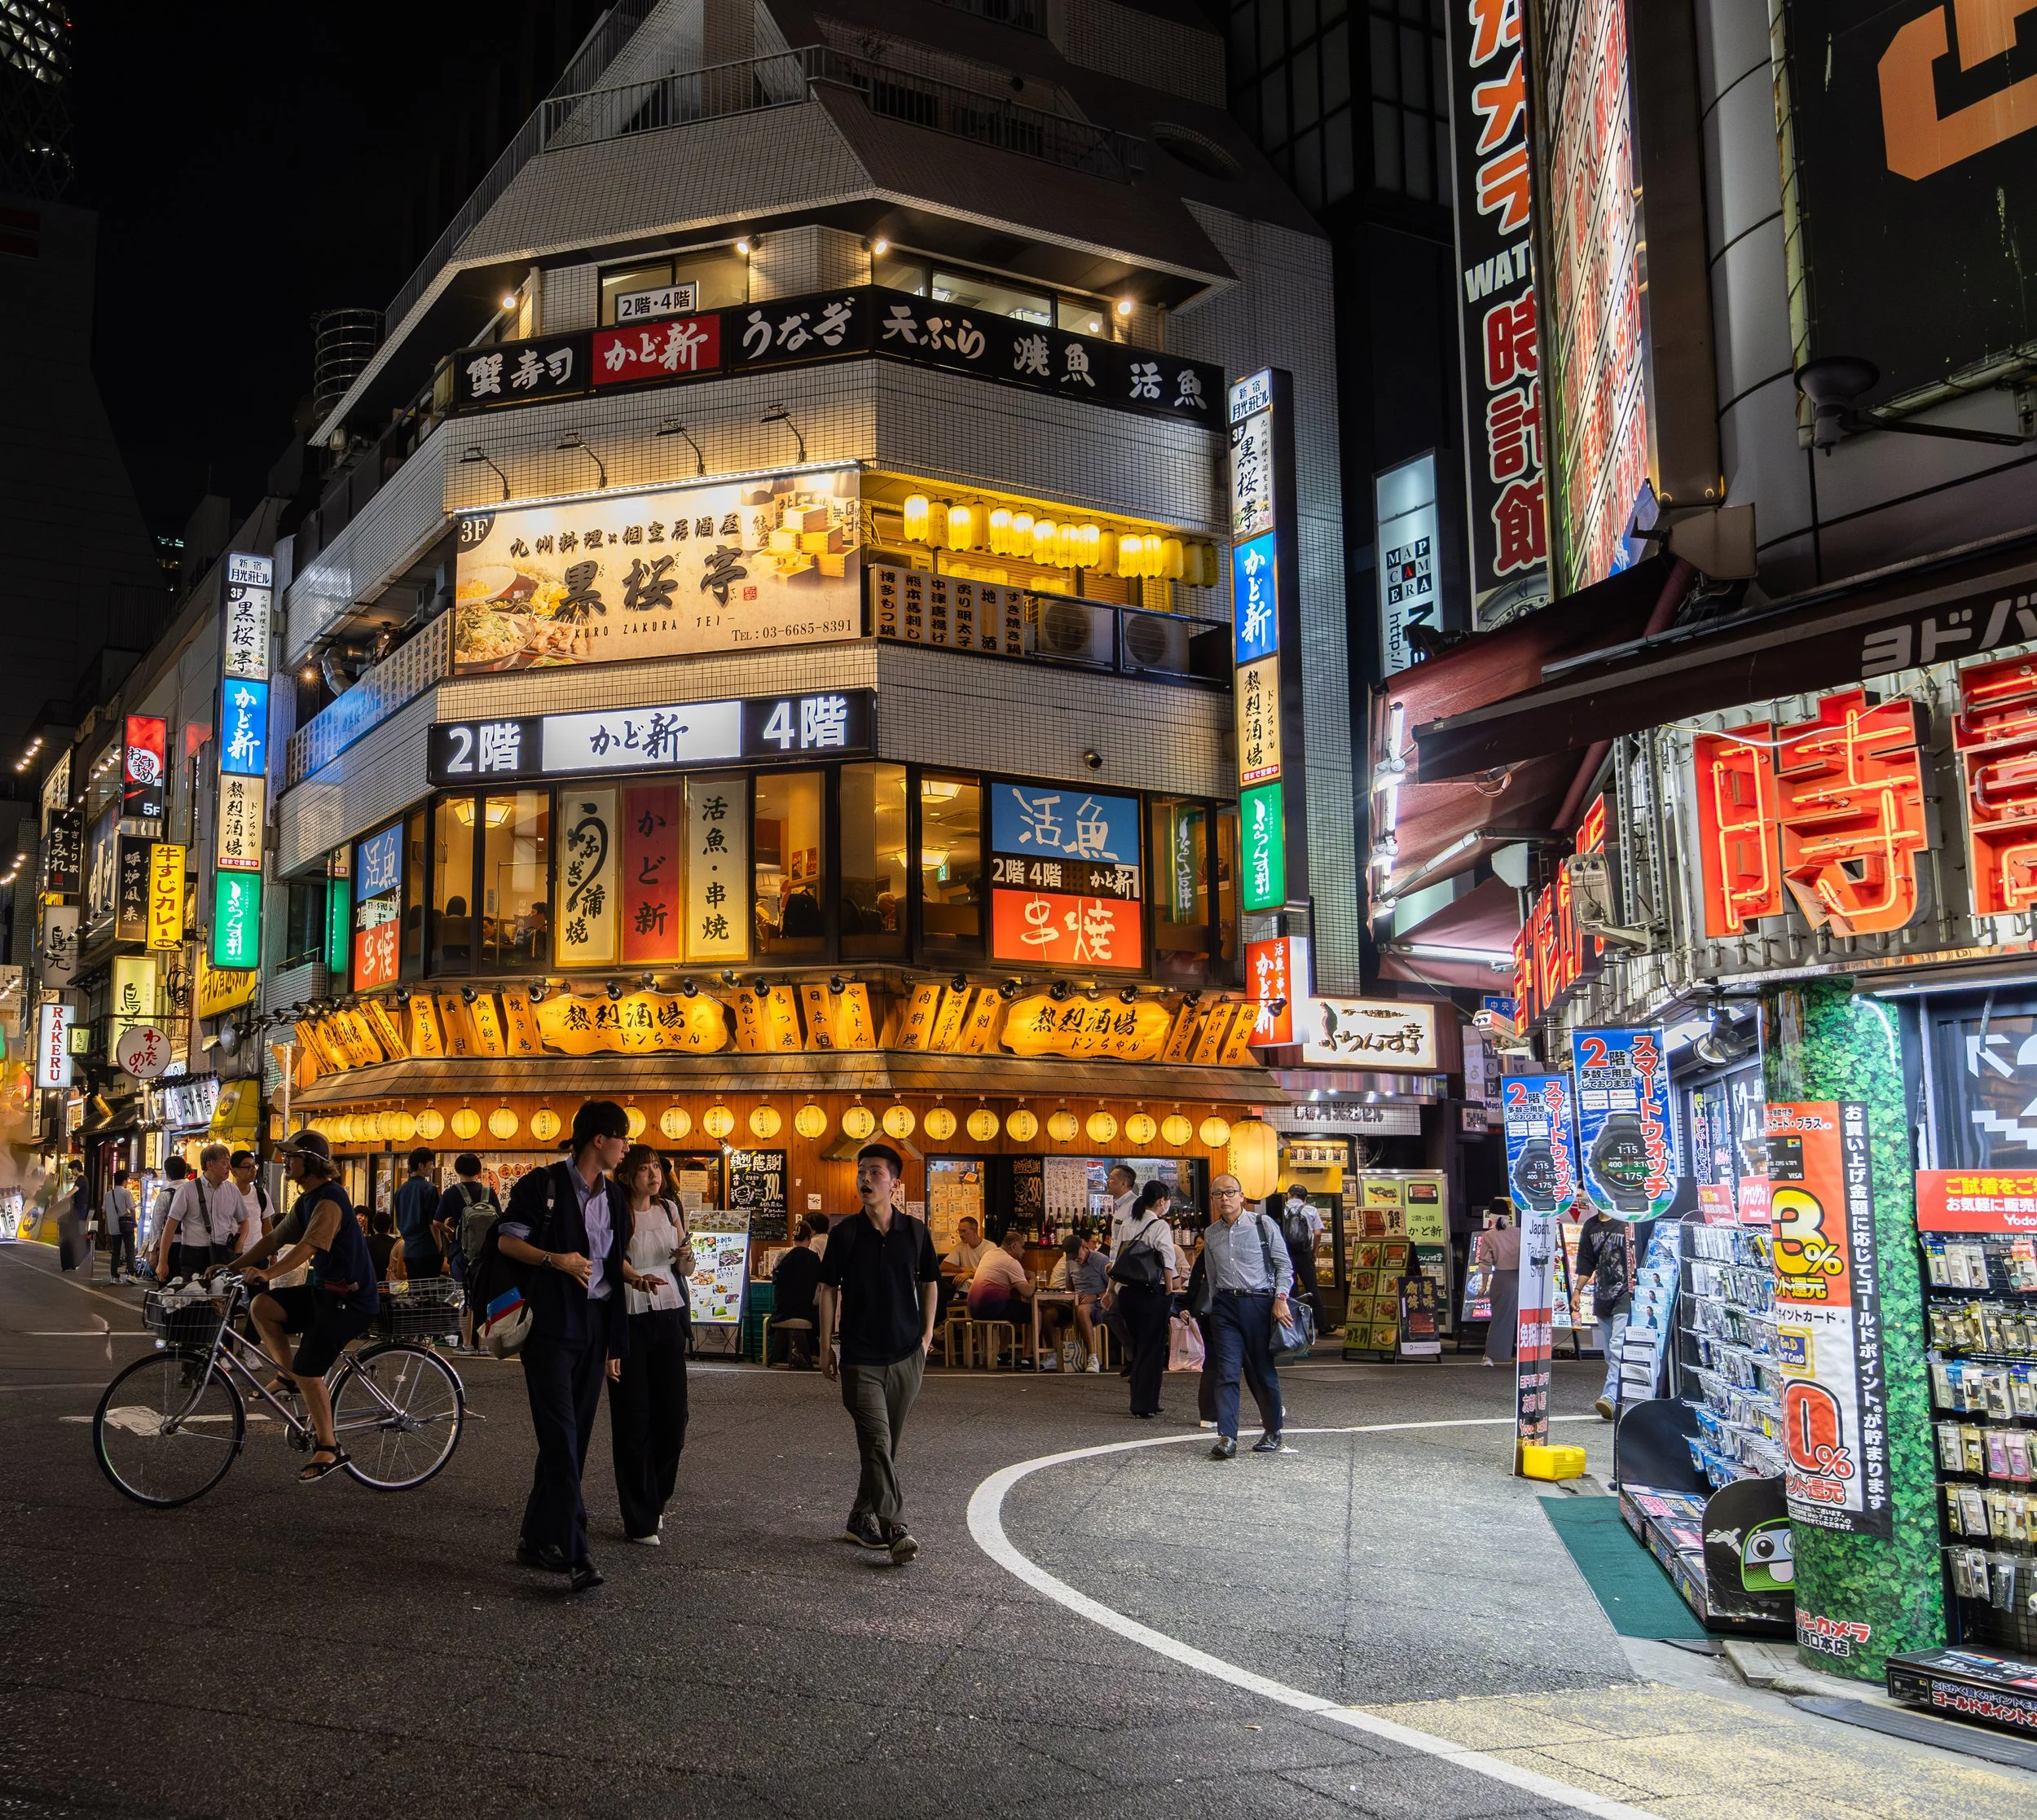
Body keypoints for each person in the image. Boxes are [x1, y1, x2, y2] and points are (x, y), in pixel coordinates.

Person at [496, 1101, 634, 1594]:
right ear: (599, 1139)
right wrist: (555, 1259)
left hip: (594, 1329)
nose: (626, 1147)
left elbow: (613, 1266)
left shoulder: (614, 1197)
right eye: (623, 1137)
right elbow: (507, 1242)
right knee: (560, 1438)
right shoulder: (543, 1185)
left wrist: (615, 1342)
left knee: (570, 1442)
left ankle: (535, 1539)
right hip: (551, 1331)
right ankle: (577, 1553)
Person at [817, 1142, 939, 1566]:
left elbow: (929, 1282)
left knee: (884, 1447)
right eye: (862, 1172)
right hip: (859, 1355)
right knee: (876, 1438)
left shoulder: (916, 1232)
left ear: (895, 1183)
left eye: (875, 1173)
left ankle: (858, 1518)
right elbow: (828, 1289)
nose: (865, 1179)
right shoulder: (845, 1233)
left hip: (907, 1354)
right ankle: (896, 1526)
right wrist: (826, 1345)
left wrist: (925, 1338)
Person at [240, 1131, 380, 1483]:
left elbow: (308, 1247)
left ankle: (329, 1446)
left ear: (311, 1162)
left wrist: (268, 1271)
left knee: (309, 1369)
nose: (286, 1162)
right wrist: (231, 1267)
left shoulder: (331, 1200)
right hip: (324, 1294)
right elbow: (274, 1238)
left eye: (292, 1157)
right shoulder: (307, 1201)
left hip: (351, 1300)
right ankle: (287, 1375)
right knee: (263, 1306)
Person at [609, 1144, 691, 1544]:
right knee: (633, 1418)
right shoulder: (616, 1211)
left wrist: (686, 1256)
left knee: (674, 1417)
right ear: (626, 1175)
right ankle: (639, 1516)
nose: (652, 1175)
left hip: (670, 1312)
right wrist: (634, 1277)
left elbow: (684, 1267)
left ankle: (655, 1498)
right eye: (643, 1169)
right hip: (629, 1314)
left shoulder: (671, 1210)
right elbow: (611, 1261)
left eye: (656, 1167)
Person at [1195, 1174, 1294, 1459]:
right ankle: (1227, 1436)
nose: (1224, 1198)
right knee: (1226, 1372)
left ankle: (1273, 1431)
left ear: (1242, 1196)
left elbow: (1283, 1265)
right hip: (1225, 1307)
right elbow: (1212, 1277)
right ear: (1212, 1200)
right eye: (1217, 1194)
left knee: (1261, 1372)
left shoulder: (1263, 1225)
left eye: (1230, 1192)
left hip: (1260, 1304)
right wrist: (1215, 1308)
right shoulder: (1211, 1233)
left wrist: (1280, 1298)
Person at [1108, 1179, 1181, 1419]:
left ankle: (1149, 1399)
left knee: (1140, 1348)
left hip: (1128, 1293)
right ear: (1162, 1201)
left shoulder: (1129, 1221)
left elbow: (1118, 1257)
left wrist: (1110, 1291)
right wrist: (1170, 1288)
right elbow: (1167, 1259)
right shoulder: (1159, 1225)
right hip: (1151, 1294)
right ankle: (1143, 1403)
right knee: (1152, 1349)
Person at [1573, 1208, 1634, 1420]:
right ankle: (1625, 1398)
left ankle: (1609, 1398)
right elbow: (1586, 1262)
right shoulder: (1591, 1226)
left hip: (1626, 1295)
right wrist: (1577, 1291)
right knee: (1610, 1354)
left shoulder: (1627, 1221)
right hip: (1602, 1296)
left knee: (1618, 1348)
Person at [438, 1154, 501, 1347]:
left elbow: (436, 1222)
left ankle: (466, 1344)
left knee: (463, 1299)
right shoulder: (489, 1192)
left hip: (461, 1253)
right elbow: (499, 1220)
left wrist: (450, 1232)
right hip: (486, 1254)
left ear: (457, 1170)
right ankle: (482, 1345)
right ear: (478, 1171)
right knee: (484, 1298)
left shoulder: (451, 1193)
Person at [152, 1145, 237, 1281]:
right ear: (210, 1165)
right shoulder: (187, 1190)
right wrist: (162, 1261)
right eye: (224, 1162)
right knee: (194, 1297)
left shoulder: (232, 1190)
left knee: (220, 1298)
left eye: (229, 1161)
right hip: (194, 1253)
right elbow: (170, 1225)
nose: (228, 1166)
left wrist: (238, 1247)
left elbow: (244, 1220)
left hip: (223, 1253)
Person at [1045, 1231, 1109, 1370]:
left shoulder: (1102, 1260)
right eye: (1072, 1257)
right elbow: (1070, 1287)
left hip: (1098, 1305)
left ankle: (1092, 1357)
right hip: (1076, 1301)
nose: (1076, 1260)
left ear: (1084, 1246)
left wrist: (1096, 1296)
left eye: (1077, 1255)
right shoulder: (1070, 1262)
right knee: (1048, 1313)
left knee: (1082, 1309)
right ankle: (1055, 1355)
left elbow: (1112, 1289)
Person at [772, 1218, 826, 1368]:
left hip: (781, 1311)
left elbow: (774, 1279)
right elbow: (820, 1285)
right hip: (806, 1312)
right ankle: (810, 1354)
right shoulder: (813, 1258)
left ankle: (784, 1354)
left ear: (792, 1238)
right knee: (820, 1314)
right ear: (809, 1238)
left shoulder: (781, 1255)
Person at [966, 1228, 1036, 1331]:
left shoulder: (989, 1254)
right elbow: (1028, 1292)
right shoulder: (1011, 1261)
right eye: (1022, 1247)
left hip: (973, 1308)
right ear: (1014, 1246)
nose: (1024, 1251)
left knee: (1011, 1304)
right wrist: (1032, 1278)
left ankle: (1004, 1346)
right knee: (1033, 1312)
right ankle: (1031, 1348)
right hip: (991, 1308)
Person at [1277, 1189, 1325, 1327]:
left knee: (1289, 1287)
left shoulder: (1282, 1209)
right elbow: (1317, 1234)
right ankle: (1320, 1325)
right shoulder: (1310, 1210)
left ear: (1288, 1195)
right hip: (1304, 1254)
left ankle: (1291, 1324)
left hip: (1285, 1254)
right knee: (1312, 1288)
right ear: (1306, 1197)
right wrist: (1314, 1252)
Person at [393, 1147, 442, 1281]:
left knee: (415, 1292)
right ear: (421, 1165)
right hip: (427, 1249)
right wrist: (439, 1246)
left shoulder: (400, 1190)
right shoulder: (429, 1188)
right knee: (429, 1294)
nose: (432, 1167)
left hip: (409, 1250)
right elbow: (433, 1222)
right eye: (431, 1164)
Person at [1480, 1217, 1523, 1367]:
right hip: (1522, 1277)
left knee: (1500, 1317)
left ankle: (1491, 1355)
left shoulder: (1489, 1235)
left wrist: (1483, 1286)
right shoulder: (1520, 1232)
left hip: (1501, 1278)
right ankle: (1523, 1353)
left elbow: (1486, 1264)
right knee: (1523, 1317)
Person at [143, 1158, 187, 1276]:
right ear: (185, 1171)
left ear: (167, 1174)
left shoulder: (165, 1195)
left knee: (169, 1285)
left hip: (171, 1245)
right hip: (194, 1246)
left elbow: (156, 1225)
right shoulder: (195, 1191)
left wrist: (152, 1252)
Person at [228, 1151, 270, 1251]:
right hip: (232, 1253)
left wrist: (273, 1253)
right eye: (247, 1167)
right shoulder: (226, 1194)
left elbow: (267, 1226)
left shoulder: (261, 1194)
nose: (253, 1171)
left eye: (254, 1166)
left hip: (257, 1254)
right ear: (234, 1171)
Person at [101, 1171, 138, 1281]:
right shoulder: (126, 1193)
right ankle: (131, 1274)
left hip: (113, 1226)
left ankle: (114, 1276)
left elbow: (104, 1211)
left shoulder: (108, 1194)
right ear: (124, 1181)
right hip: (126, 1224)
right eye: (127, 1180)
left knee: (115, 1251)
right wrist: (134, 1221)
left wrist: (111, 1220)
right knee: (129, 1249)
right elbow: (132, 1209)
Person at [364, 1208, 399, 1282]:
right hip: (388, 1284)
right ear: (390, 1226)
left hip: (369, 1282)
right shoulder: (396, 1243)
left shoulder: (365, 1241)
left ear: (373, 1226)